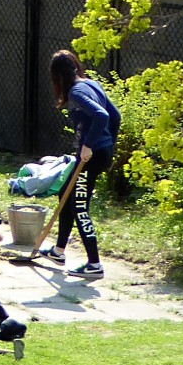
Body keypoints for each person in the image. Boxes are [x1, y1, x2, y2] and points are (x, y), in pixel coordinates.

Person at [36, 49, 121, 279]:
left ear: (57, 76)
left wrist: (90, 146)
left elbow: (102, 115)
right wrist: (108, 145)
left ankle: (94, 264)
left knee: (80, 205)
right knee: (66, 194)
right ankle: (58, 251)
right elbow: (116, 117)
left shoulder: (76, 92)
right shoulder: (92, 84)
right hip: (98, 153)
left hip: (91, 156)